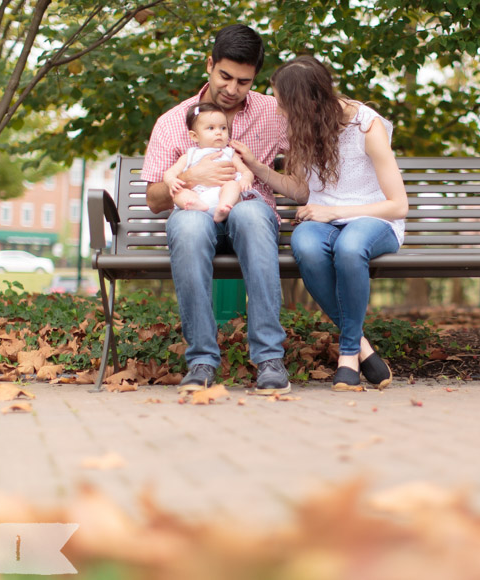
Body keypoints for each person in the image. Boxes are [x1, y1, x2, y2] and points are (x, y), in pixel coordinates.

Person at [233, 55, 408, 391]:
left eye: (283, 104)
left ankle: (347, 356)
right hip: (323, 220)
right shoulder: (305, 128)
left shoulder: (366, 127)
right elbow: (301, 190)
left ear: (305, 103)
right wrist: (257, 167)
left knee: (350, 246)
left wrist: (333, 213)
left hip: (374, 220)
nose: (279, 111)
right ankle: (363, 348)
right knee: (305, 245)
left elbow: (398, 205)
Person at [141, 24, 292, 394]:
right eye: (225, 76)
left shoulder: (274, 113)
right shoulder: (174, 122)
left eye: (244, 81)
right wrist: (191, 175)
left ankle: (270, 359)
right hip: (196, 212)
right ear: (209, 64)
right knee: (189, 228)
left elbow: (314, 151)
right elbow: (154, 200)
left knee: (252, 215)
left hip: (247, 208)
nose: (232, 89)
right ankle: (202, 360)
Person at [163, 102, 255, 222]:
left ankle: (222, 208)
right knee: (177, 193)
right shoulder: (189, 156)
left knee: (233, 185)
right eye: (211, 128)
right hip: (198, 196)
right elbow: (170, 173)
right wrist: (171, 181)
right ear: (194, 136)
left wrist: (246, 179)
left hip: (224, 194)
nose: (219, 132)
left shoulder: (229, 153)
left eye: (223, 128)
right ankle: (197, 206)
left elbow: (246, 171)